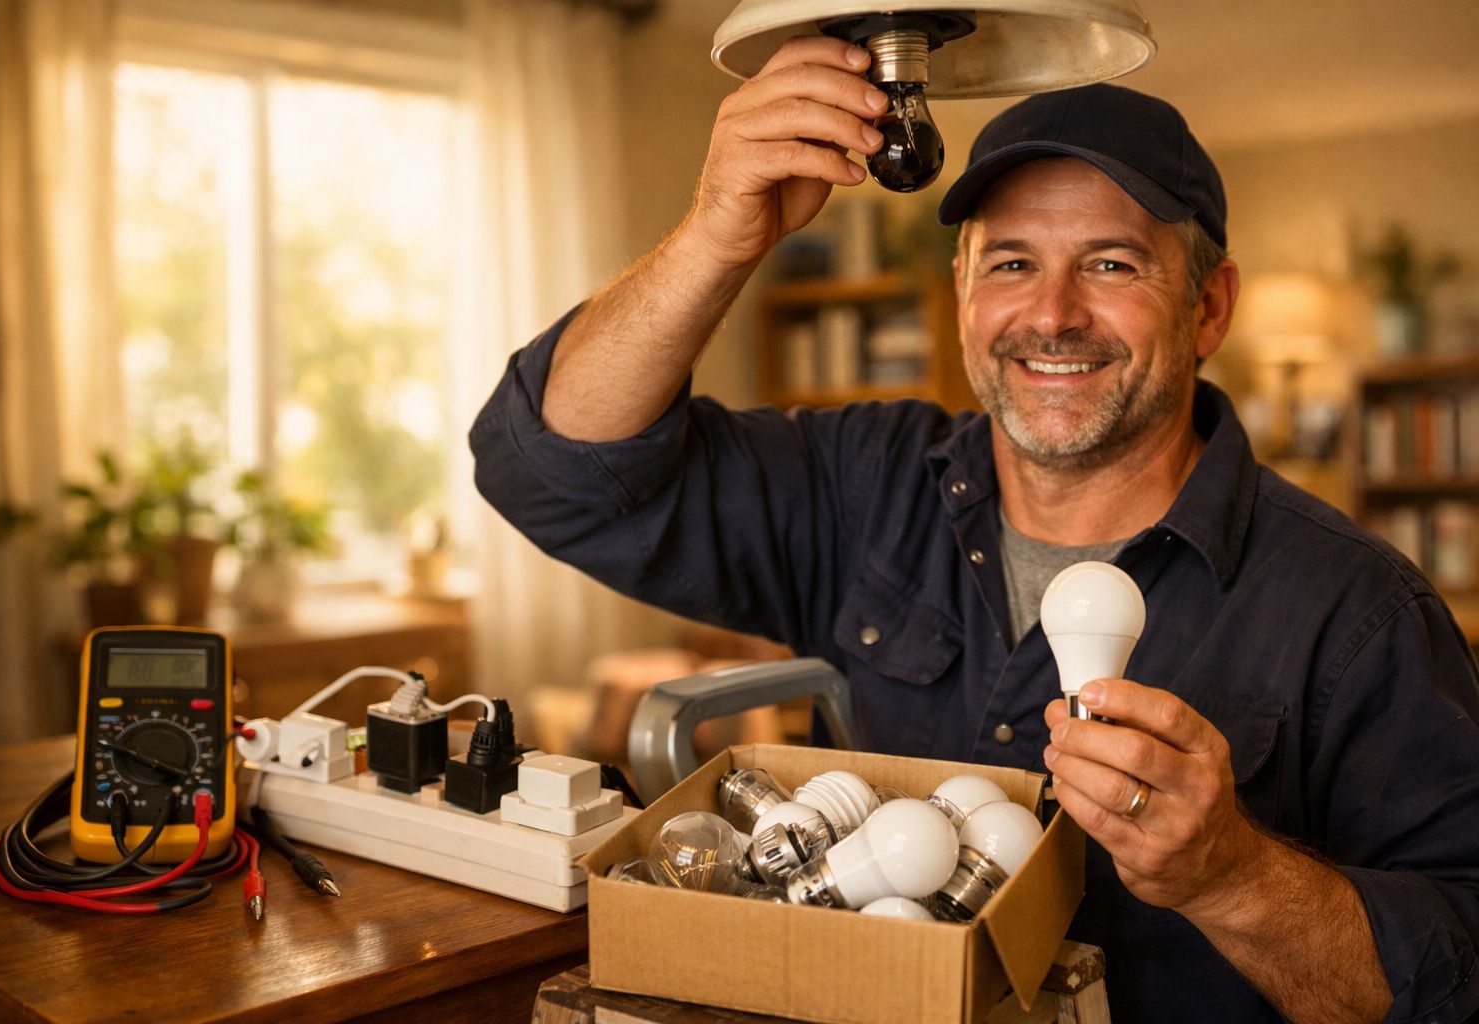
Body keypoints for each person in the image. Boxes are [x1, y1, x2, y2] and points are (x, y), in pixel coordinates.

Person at [470, 35, 1479, 1024]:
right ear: (960, 294)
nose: (1051, 313)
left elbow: (1459, 975)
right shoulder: (867, 485)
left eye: (1114, 264)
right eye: (1008, 263)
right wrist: (717, 232)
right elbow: (553, 473)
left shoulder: (1355, 610)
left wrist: (1232, 874)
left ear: (1209, 306)